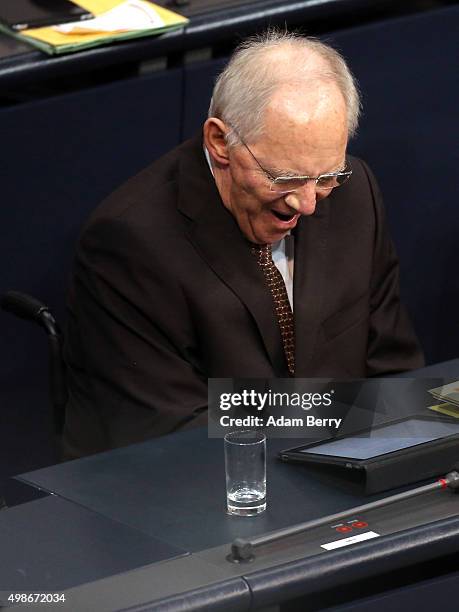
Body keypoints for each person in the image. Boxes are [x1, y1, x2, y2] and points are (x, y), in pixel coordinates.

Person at [62, 31, 424, 459]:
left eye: (326, 177)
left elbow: (394, 370)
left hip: (342, 471)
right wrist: (336, 419)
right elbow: (169, 430)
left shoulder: (354, 190)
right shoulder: (130, 242)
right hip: (193, 488)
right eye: (284, 178)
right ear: (220, 143)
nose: (306, 203)